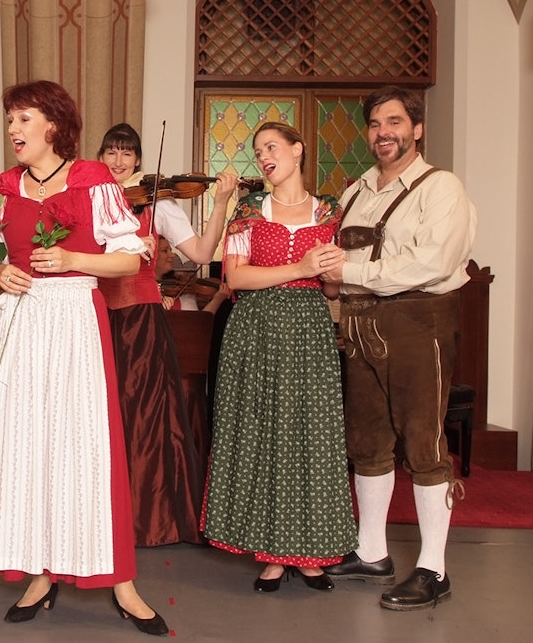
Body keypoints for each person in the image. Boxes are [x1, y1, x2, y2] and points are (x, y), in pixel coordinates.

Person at [0, 82, 167, 636]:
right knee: (27, 447)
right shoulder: (1, 187)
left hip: (75, 318)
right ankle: (40, 573)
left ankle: (121, 581)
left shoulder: (94, 180)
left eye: (22, 118)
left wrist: (74, 257)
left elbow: (131, 261)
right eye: (10, 121)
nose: (13, 130)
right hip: (21, 322)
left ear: (53, 123)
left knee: (85, 447)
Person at [320, 86, 476, 611]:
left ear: (417, 128)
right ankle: (372, 552)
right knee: (367, 442)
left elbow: (434, 262)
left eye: (394, 121)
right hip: (360, 323)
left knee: (423, 443)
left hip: (417, 322)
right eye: (374, 123)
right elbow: (338, 263)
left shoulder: (442, 188)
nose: (383, 132)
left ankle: (434, 568)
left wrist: (351, 271)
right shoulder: (357, 191)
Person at [202, 122, 357, 593]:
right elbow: (236, 278)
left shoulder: (331, 212)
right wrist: (301, 268)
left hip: (309, 331)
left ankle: (308, 553)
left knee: (310, 436)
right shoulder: (249, 210)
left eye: (272, 147)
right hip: (256, 330)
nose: (264, 156)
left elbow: (331, 287)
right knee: (262, 433)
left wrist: (331, 273)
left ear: (298, 148)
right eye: (258, 151)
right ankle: (268, 554)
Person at [95, 122, 238, 547]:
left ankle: (144, 516)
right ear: (100, 157)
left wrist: (221, 204)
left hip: (140, 316)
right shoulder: (90, 197)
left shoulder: (157, 203)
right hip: (94, 313)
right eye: (111, 153)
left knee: (142, 416)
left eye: (127, 154)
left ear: (139, 160)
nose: (118, 162)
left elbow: (201, 253)